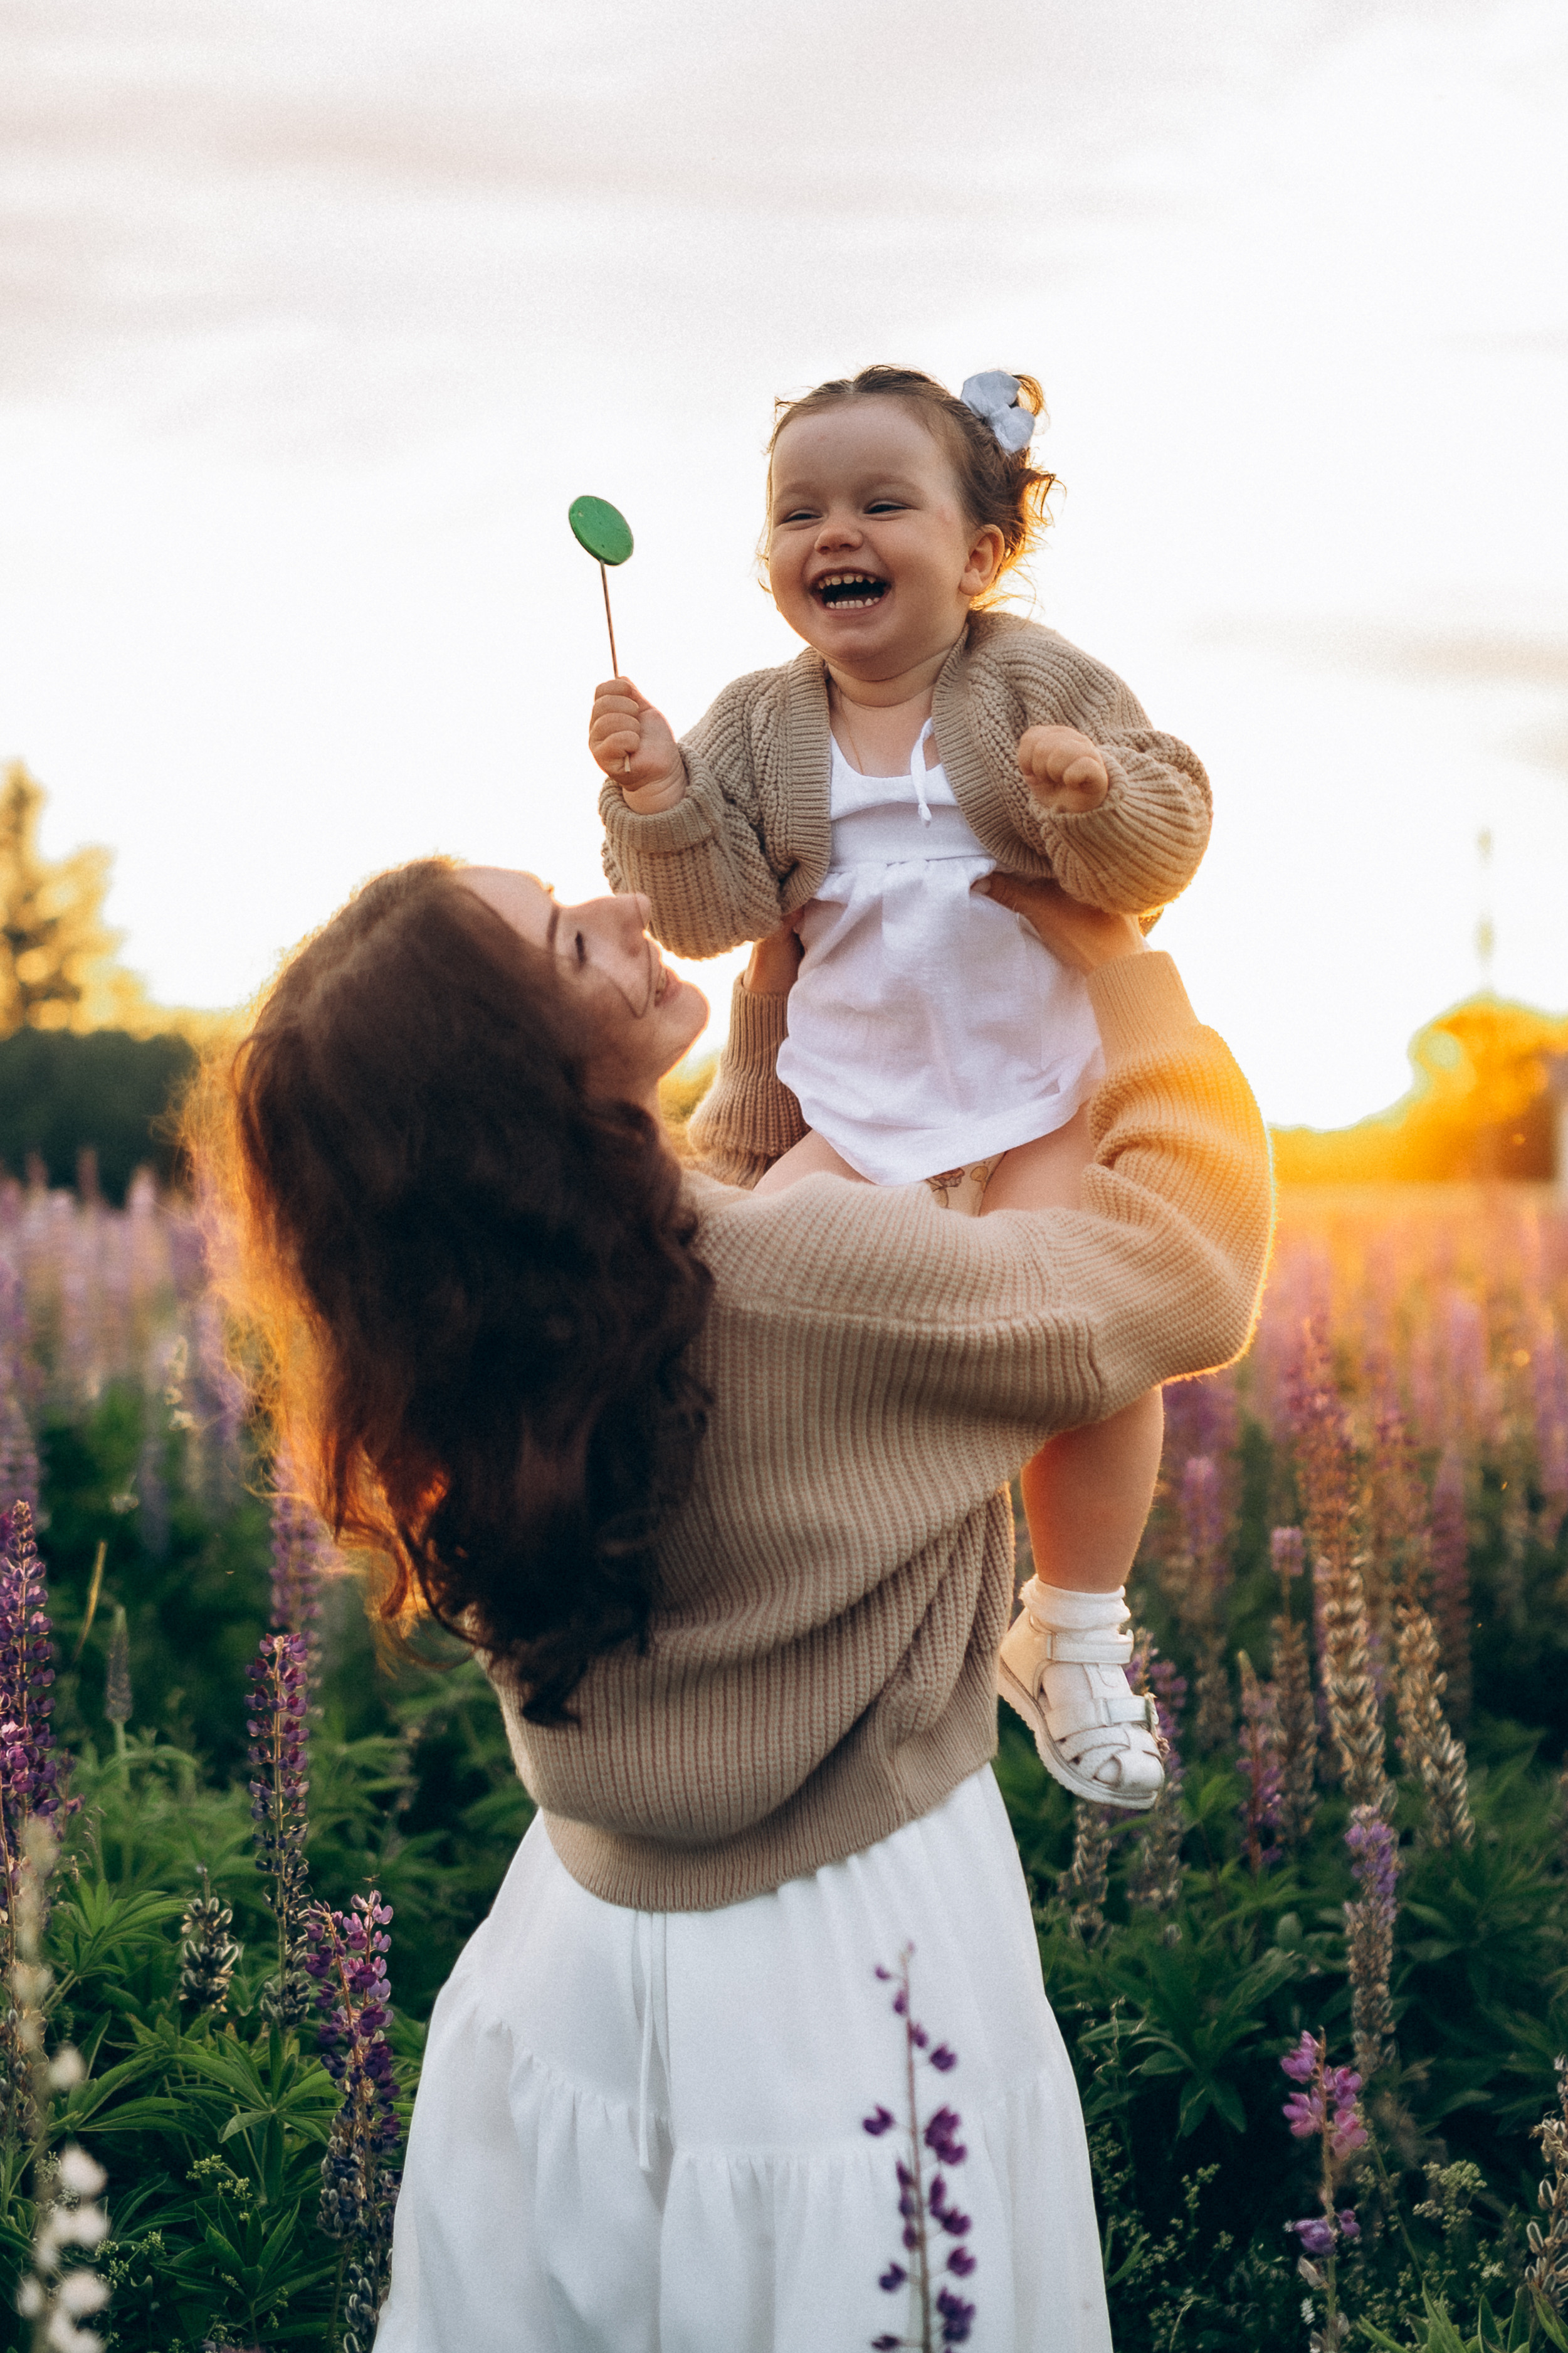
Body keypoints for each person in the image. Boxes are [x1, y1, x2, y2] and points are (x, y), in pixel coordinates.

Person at [202, 850, 1270, 2352]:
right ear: (520, 1079)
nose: (628, 912)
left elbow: (729, 1219)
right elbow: (1181, 1271)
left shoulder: (495, 1325)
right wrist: (1127, 981)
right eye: (574, 941)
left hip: (572, 1966)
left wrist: (778, 996)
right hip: (857, 1973)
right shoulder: (803, 1288)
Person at [587, 364, 1214, 1811]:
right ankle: (759, 1618)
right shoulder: (760, 721)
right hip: (852, 1115)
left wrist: (1092, 796)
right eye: (797, 512)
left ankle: (1074, 1631)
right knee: (735, 1320)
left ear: (982, 554)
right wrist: (661, 798)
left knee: (1087, 1346)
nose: (831, 533)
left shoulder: (1038, 687)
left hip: (1041, 1098)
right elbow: (710, 910)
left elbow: (1163, 846)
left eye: (879, 502)